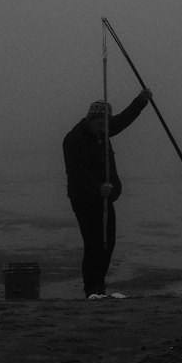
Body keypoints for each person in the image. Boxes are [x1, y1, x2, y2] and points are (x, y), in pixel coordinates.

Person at [62, 88, 151, 299]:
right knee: (93, 243)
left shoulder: (104, 131)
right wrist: (96, 188)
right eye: (100, 124)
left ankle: (99, 285)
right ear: (89, 119)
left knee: (107, 243)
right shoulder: (73, 139)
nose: (104, 129)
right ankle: (91, 289)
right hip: (84, 199)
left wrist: (140, 101)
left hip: (105, 197)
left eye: (106, 125)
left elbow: (123, 120)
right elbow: (76, 172)